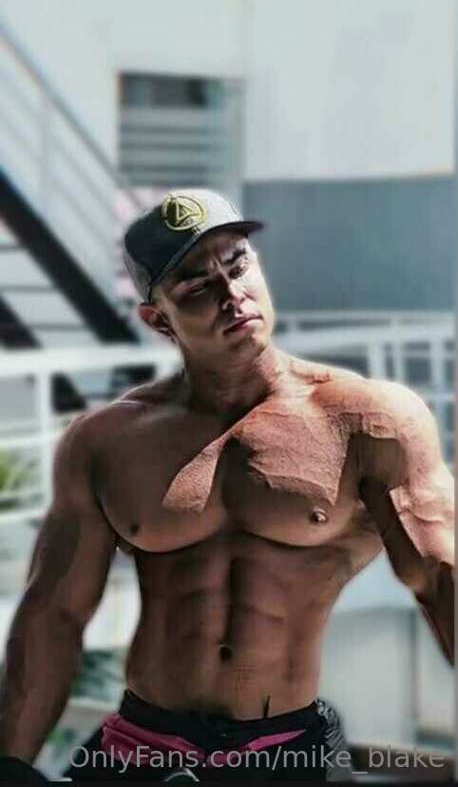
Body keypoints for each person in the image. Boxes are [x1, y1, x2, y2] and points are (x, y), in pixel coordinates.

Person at [0, 190, 453, 783]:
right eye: (196, 285)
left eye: (237, 264)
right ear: (157, 319)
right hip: (142, 749)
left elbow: (440, 577)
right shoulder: (106, 442)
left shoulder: (367, 421)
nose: (230, 293)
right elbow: (55, 615)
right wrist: (10, 764)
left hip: (286, 753)